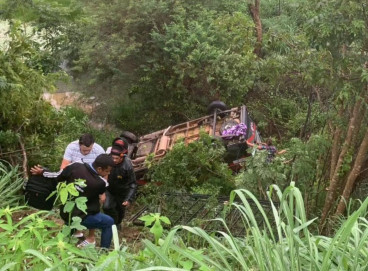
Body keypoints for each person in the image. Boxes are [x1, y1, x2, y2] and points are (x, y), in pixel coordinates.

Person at [30, 154, 115, 249]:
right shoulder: (100, 183)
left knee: (74, 217)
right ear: (99, 169)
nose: (108, 174)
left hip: (66, 211)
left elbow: (58, 176)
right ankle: (104, 250)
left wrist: (43, 172)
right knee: (109, 222)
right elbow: (101, 197)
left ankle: (65, 237)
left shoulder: (76, 165)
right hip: (79, 217)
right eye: (107, 171)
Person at [60, 133, 105, 240]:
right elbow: (64, 167)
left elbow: (105, 172)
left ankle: (91, 236)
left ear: (93, 145)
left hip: (93, 184)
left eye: (88, 150)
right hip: (76, 182)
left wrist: (102, 191)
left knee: (93, 208)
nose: (86, 153)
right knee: (72, 206)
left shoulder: (99, 150)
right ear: (79, 144)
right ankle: (76, 231)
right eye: (84, 150)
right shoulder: (71, 147)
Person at [103, 137, 137, 227]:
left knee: (120, 210)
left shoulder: (127, 166)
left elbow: (133, 184)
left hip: (122, 192)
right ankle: (111, 223)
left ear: (122, 156)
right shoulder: (107, 161)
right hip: (109, 189)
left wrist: (128, 199)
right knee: (107, 207)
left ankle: (117, 224)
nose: (114, 160)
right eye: (112, 158)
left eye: (116, 158)